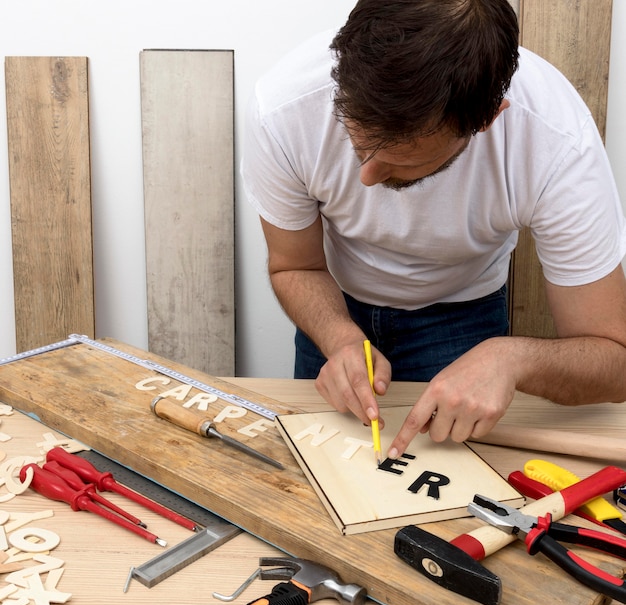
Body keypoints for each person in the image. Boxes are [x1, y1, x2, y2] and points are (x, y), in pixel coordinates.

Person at [241, 0, 626, 460]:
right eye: (358, 142)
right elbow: (294, 265)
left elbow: (615, 358)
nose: (366, 176)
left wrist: (510, 358)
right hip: (333, 307)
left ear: (487, 120)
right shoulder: (285, 109)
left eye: (402, 163)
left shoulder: (556, 143)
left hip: (464, 319)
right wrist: (339, 337)